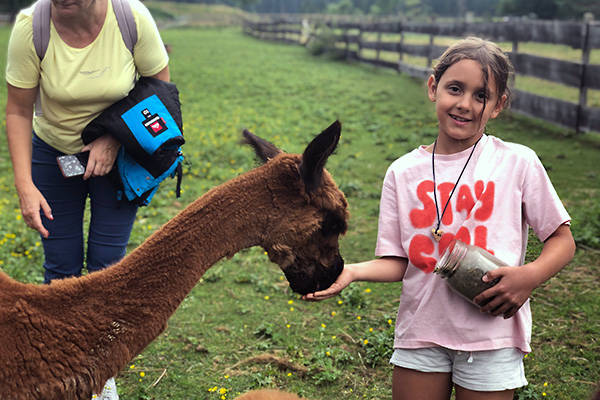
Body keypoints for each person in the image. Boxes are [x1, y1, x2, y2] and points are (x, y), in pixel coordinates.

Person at [304, 37, 576, 400]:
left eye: (481, 96)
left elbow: (562, 239)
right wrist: (352, 272)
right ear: (433, 88)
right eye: (454, 88)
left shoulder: (517, 163)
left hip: (490, 337)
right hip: (421, 333)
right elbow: (401, 262)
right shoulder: (402, 172)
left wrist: (529, 277)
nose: (464, 104)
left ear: (499, 105)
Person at [5, 0, 169, 398]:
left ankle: (100, 371)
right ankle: (61, 368)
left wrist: (114, 137)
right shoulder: (32, 28)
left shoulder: (131, 19)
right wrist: (25, 184)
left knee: (106, 269)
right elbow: (18, 110)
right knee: (60, 270)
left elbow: (161, 89)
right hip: (53, 155)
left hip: (120, 156)